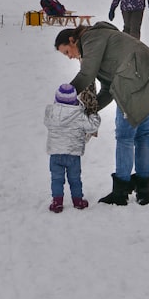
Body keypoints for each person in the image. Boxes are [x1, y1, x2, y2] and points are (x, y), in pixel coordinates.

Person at [55, 23, 149, 206]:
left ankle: (120, 193)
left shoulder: (90, 38)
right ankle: (143, 191)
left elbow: (86, 74)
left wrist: (65, 97)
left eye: (67, 52)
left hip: (134, 83)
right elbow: (108, 90)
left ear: (72, 40)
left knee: (125, 138)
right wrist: (89, 110)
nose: (70, 57)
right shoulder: (103, 38)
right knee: (142, 136)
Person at [44, 83, 102, 213]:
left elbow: (46, 121)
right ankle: (78, 201)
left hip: (55, 154)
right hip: (73, 154)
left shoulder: (51, 112)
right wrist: (93, 115)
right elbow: (92, 126)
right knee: (75, 179)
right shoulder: (80, 115)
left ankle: (57, 202)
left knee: (56, 179)